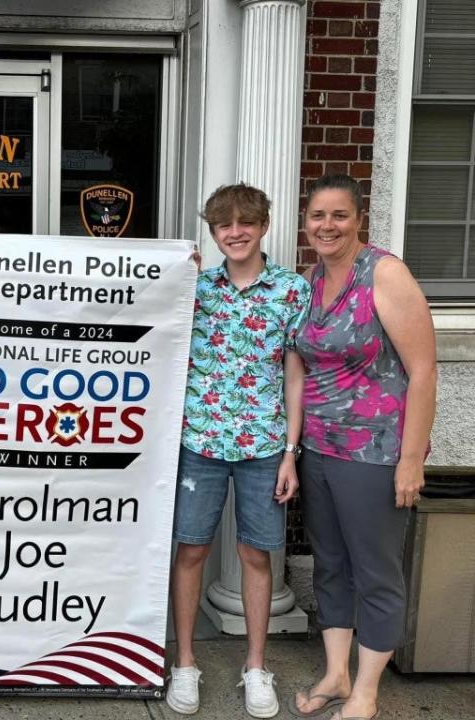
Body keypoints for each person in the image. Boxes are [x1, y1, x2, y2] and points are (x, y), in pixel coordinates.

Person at [290, 175, 437, 720]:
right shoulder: (309, 281)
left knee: (375, 570)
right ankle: (336, 673)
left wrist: (409, 458)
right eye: (318, 216)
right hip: (321, 450)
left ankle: (367, 693)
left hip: (376, 454)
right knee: (330, 564)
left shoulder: (385, 274)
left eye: (339, 215)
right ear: (306, 223)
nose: (327, 226)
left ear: (358, 220)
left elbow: (423, 372)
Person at [168, 184, 310, 718]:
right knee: (192, 551)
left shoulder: (290, 291)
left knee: (256, 553)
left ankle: (256, 666)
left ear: (263, 226)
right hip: (198, 441)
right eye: (224, 224)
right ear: (212, 231)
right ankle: (185, 662)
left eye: (245, 222)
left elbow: (294, 375)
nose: (235, 232)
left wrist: (292, 452)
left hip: (265, 444)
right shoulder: (195, 288)